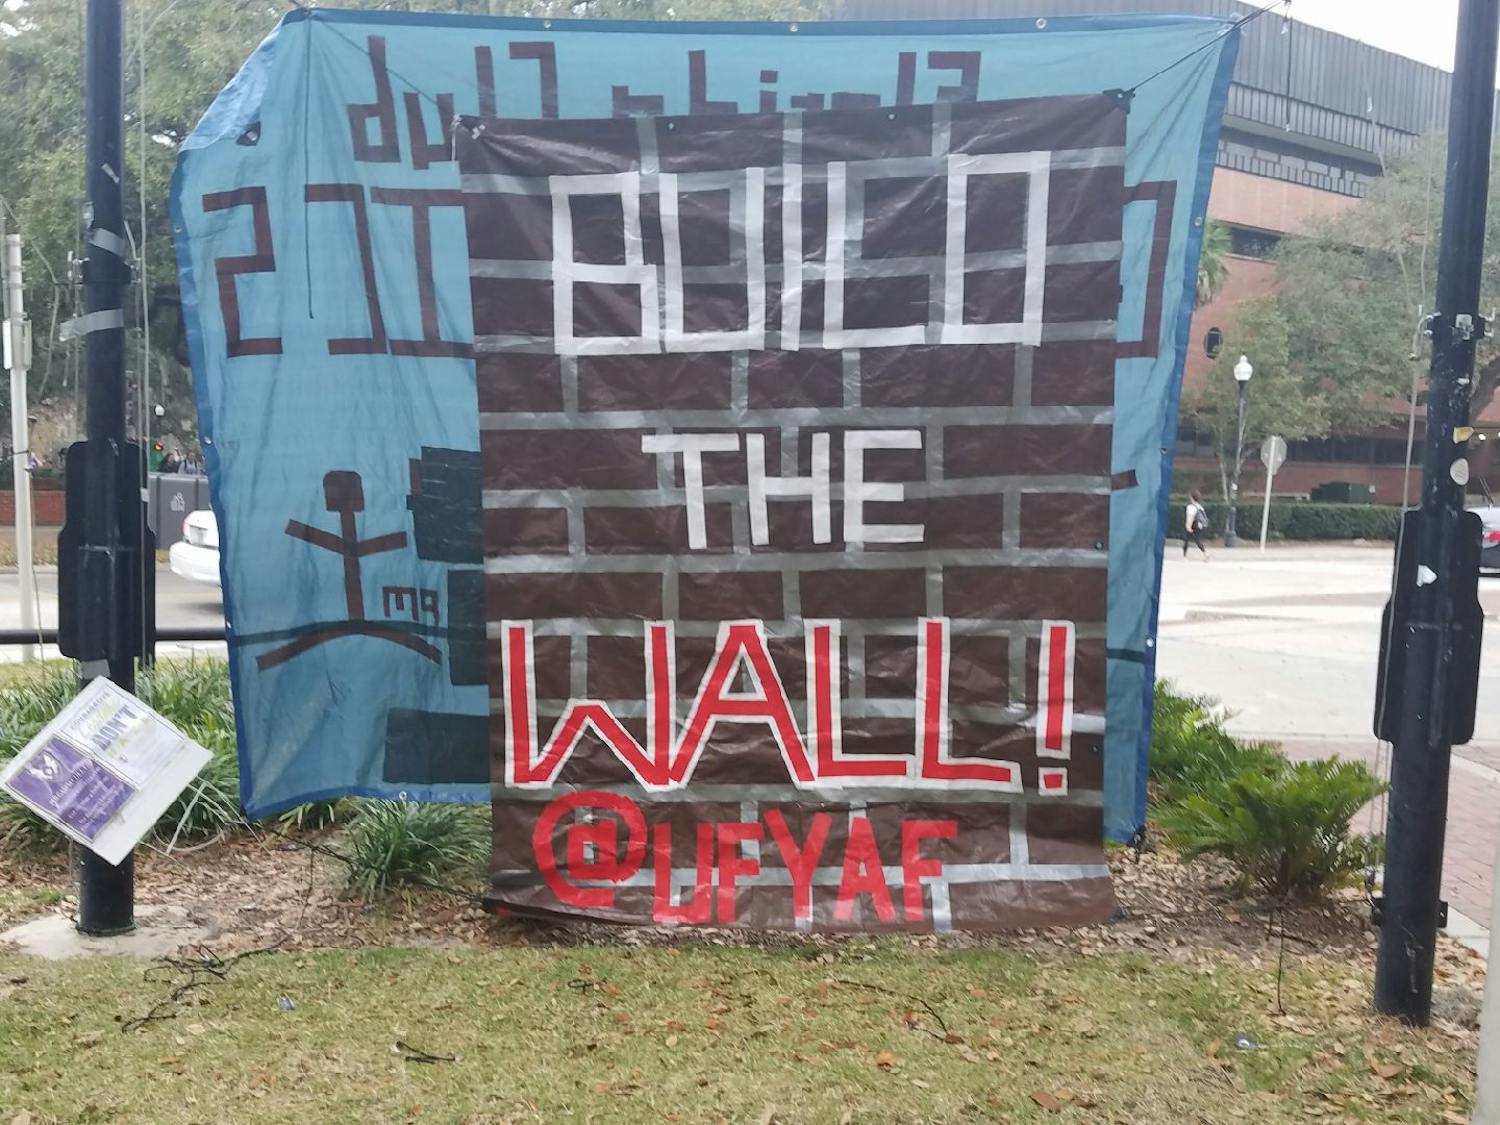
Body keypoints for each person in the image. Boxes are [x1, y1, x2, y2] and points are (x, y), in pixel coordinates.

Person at [1183, 490, 1210, 559]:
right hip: (1200, 526)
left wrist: (1188, 526)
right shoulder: (1200, 507)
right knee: (1198, 540)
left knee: (1186, 540)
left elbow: (1190, 517)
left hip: (1193, 525)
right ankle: (1205, 554)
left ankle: (1185, 556)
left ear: (1192, 497)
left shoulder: (1190, 507)